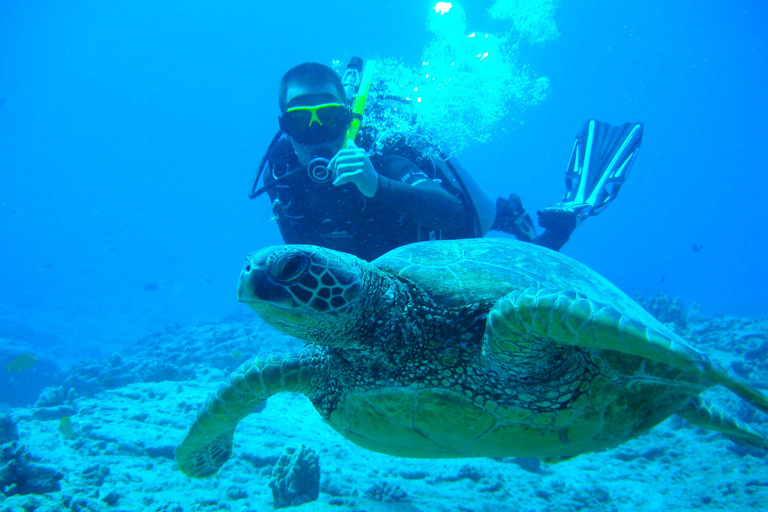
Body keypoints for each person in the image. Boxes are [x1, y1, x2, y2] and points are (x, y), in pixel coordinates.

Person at [250, 61, 643, 261]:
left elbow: (453, 214)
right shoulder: (282, 171)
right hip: (370, 267)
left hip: (443, 241)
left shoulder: (383, 152)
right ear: (284, 127)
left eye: (330, 119)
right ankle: (508, 213)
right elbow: (307, 253)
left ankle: (558, 218)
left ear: (350, 117)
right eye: (302, 122)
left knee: (527, 259)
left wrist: (376, 184)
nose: (317, 135)